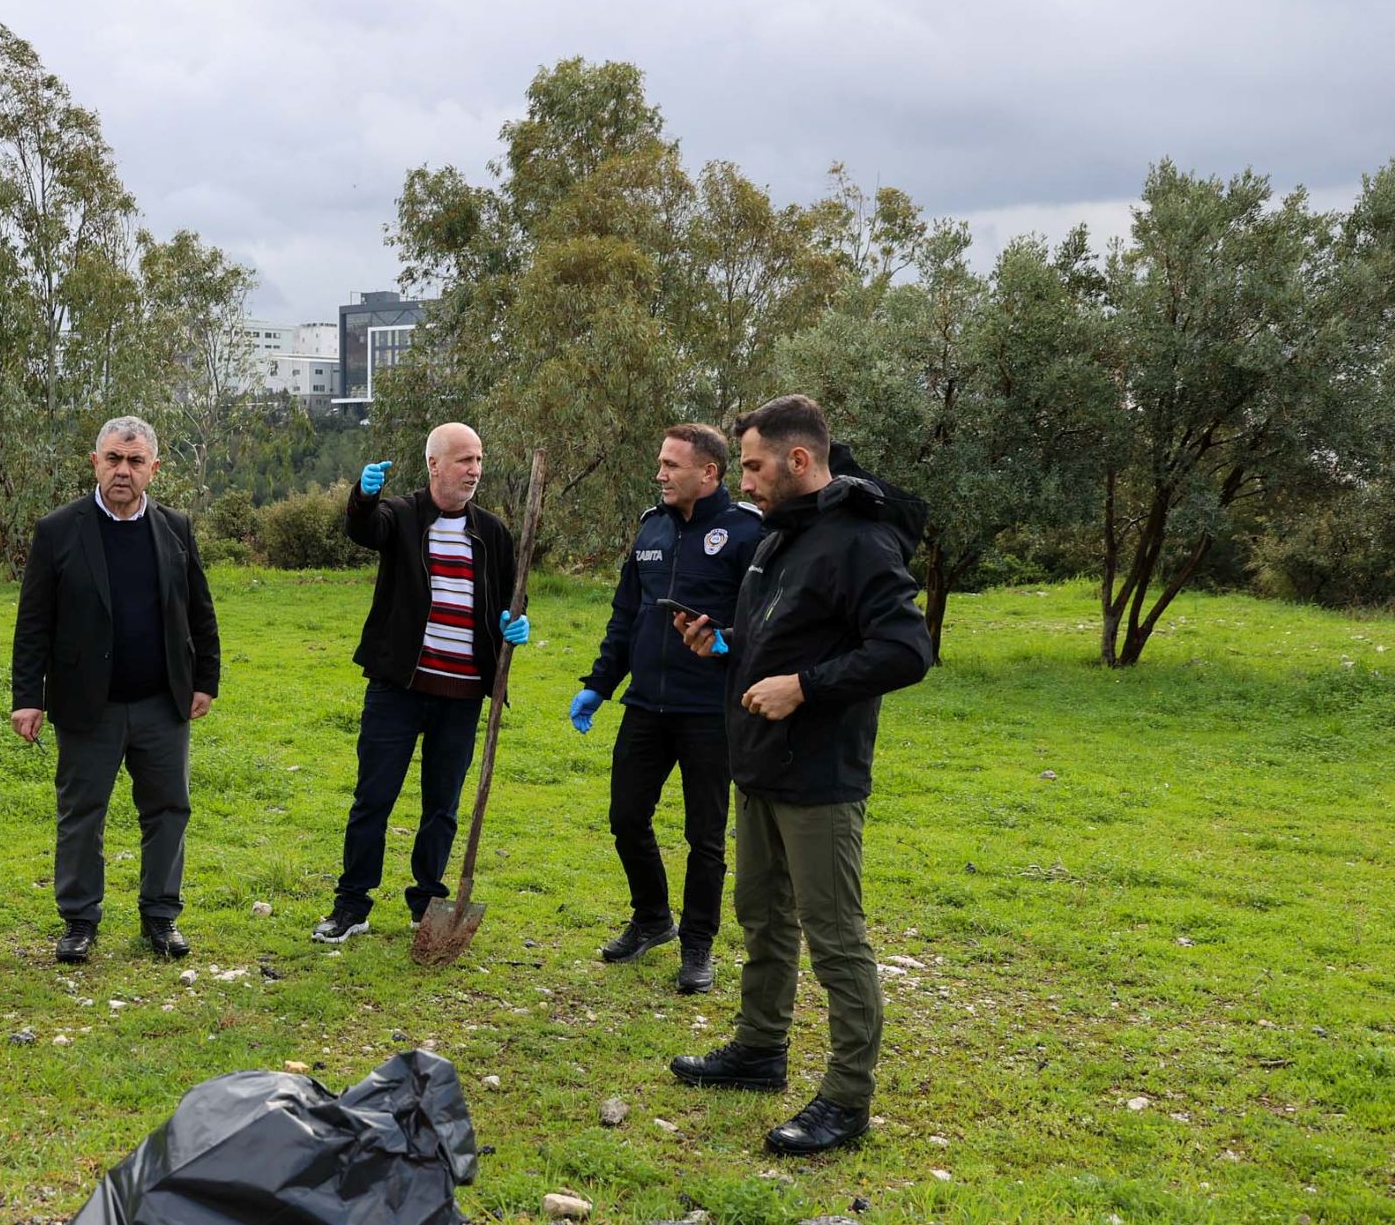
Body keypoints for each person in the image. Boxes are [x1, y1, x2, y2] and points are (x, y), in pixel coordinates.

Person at [669, 395, 932, 1155]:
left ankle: (847, 1102)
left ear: (798, 460)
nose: (744, 481)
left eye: (752, 466)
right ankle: (759, 1050)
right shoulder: (779, 538)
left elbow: (907, 649)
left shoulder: (859, 540)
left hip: (819, 777)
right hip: (759, 768)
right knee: (762, 916)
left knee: (836, 939)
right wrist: (720, 641)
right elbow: (771, 635)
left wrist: (804, 687)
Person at [10, 416, 221, 964]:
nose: (122, 471)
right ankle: (79, 921)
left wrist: (206, 680)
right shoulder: (58, 529)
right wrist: (27, 696)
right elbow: (33, 622)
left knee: (169, 809)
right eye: (113, 459)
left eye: (134, 461)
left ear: (153, 468)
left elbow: (199, 611)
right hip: (88, 705)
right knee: (82, 812)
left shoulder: (175, 528)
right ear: (95, 463)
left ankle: (160, 916)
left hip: (162, 702)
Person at [313, 422, 532, 944]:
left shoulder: (492, 532)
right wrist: (363, 498)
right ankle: (352, 906)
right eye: (463, 460)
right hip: (399, 689)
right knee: (374, 799)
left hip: (460, 695)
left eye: (478, 459)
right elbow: (366, 529)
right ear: (435, 465)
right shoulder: (403, 516)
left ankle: (428, 903)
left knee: (442, 807)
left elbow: (509, 598)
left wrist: (514, 625)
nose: (474, 470)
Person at [569, 424, 761, 993]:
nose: (660, 474)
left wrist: (729, 643)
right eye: (660, 463)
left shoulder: (747, 532)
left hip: (710, 710)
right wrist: (600, 684)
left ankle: (699, 945)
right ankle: (653, 918)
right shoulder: (650, 529)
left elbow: (767, 623)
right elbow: (625, 615)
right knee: (626, 818)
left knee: (705, 836)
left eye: (671, 465)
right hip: (647, 706)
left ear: (709, 473)